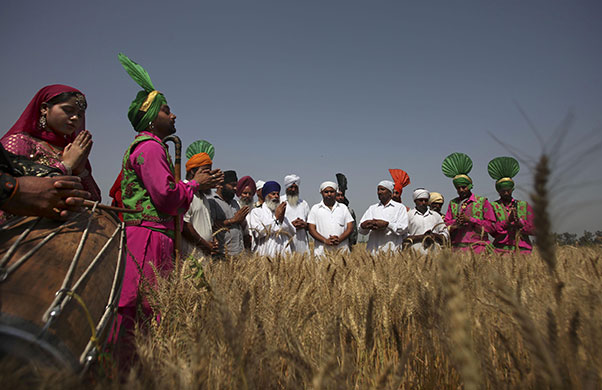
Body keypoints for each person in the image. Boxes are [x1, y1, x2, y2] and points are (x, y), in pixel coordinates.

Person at [111, 54, 222, 366]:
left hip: (149, 235)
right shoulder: (150, 147)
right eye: (166, 110)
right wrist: (193, 184)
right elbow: (166, 197)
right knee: (146, 304)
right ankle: (133, 369)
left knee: (149, 305)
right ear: (149, 118)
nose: (174, 115)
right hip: (147, 239)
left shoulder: (147, 146)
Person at [0, 85, 101, 203]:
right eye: (68, 110)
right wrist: (66, 166)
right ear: (44, 108)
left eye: (80, 115)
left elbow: (94, 200)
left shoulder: (72, 150)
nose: (75, 118)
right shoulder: (19, 143)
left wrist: (81, 171)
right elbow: (11, 192)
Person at [0, 144, 90, 219]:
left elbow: (11, 161)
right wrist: (12, 188)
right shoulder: (19, 142)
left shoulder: (75, 150)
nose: (74, 121)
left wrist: (52, 178)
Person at [442, 152, 495, 253]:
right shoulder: (453, 203)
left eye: (464, 187)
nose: (461, 190)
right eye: (458, 188)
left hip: (479, 248)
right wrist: (455, 224)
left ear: (470, 186)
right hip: (457, 250)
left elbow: (492, 227)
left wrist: (470, 220)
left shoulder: (482, 202)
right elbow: (446, 224)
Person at [487, 156, 535, 253]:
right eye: (503, 191)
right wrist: (507, 221)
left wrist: (520, 223)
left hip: (523, 251)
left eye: (508, 190)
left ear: (512, 189)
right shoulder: (492, 206)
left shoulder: (524, 206)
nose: (505, 193)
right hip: (501, 251)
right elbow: (492, 231)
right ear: (498, 191)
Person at [182, 140, 218, 257]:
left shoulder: (203, 196)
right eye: (205, 172)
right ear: (192, 171)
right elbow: (184, 226)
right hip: (190, 258)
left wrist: (213, 241)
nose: (208, 177)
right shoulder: (185, 192)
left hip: (204, 258)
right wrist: (205, 245)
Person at [359, 180, 409, 254]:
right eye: (378, 190)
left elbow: (403, 228)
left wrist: (387, 224)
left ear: (390, 193)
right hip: (373, 252)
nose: (379, 192)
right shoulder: (372, 208)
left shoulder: (399, 208)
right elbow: (361, 231)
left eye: (382, 189)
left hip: (392, 251)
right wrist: (364, 225)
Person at [248, 181, 296, 256]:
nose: (276, 196)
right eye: (273, 194)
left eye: (278, 194)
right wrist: (276, 219)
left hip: (283, 256)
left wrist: (281, 219)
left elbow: (292, 232)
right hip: (265, 254)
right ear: (266, 196)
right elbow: (258, 233)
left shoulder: (281, 213)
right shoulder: (257, 212)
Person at [307, 181, 354, 257]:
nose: (329, 194)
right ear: (321, 193)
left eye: (332, 191)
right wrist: (325, 241)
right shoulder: (315, 208)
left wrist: (339, 239)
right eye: (326, 192)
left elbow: (350, 227)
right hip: (322, 253)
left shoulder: (343, 208)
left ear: (335, 193)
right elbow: (311, 229)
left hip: (342, 252)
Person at [208, 170, 249, 258]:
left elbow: (239, 222)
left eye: (236, 185)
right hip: (223, 254)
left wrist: (242, 222)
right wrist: (233, 220)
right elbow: (211, 224)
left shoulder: (234, 203)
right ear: (220, 185)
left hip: (239, 253)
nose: (235, 188)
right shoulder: (212, 201)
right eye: (232, 185)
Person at [405, 188, 449, 254]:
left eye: (426, 200)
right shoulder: (409, 215)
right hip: (415, 254)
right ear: (415, 201)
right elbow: (404, 235)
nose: (423, 203)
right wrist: (422, 237)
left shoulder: (436, 215)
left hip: (435, 254)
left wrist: (435, 236)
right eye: (421, 200)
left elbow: (445, 233)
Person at [281, 174, 310, 254]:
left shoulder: (303, 204)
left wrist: (304, 224)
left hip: (302, 244)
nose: (293, 189)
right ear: (286, 188)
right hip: (285, 244)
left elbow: (310, 225)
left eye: (295, 187)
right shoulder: (280, 202)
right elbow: (275, 224)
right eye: (291, 187)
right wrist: (291, 225)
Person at [336, 173, 358, 249]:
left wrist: (352, 241)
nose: (340, 198)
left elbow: (353, 228)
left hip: (346, 244)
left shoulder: (350, 211)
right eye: (338, 195)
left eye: (342, 195)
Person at [236, 175, 256, 249]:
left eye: (250, 194)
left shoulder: (255, 210)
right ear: (240, 194)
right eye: (245, 193)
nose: (247, 196)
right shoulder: (236, 207)